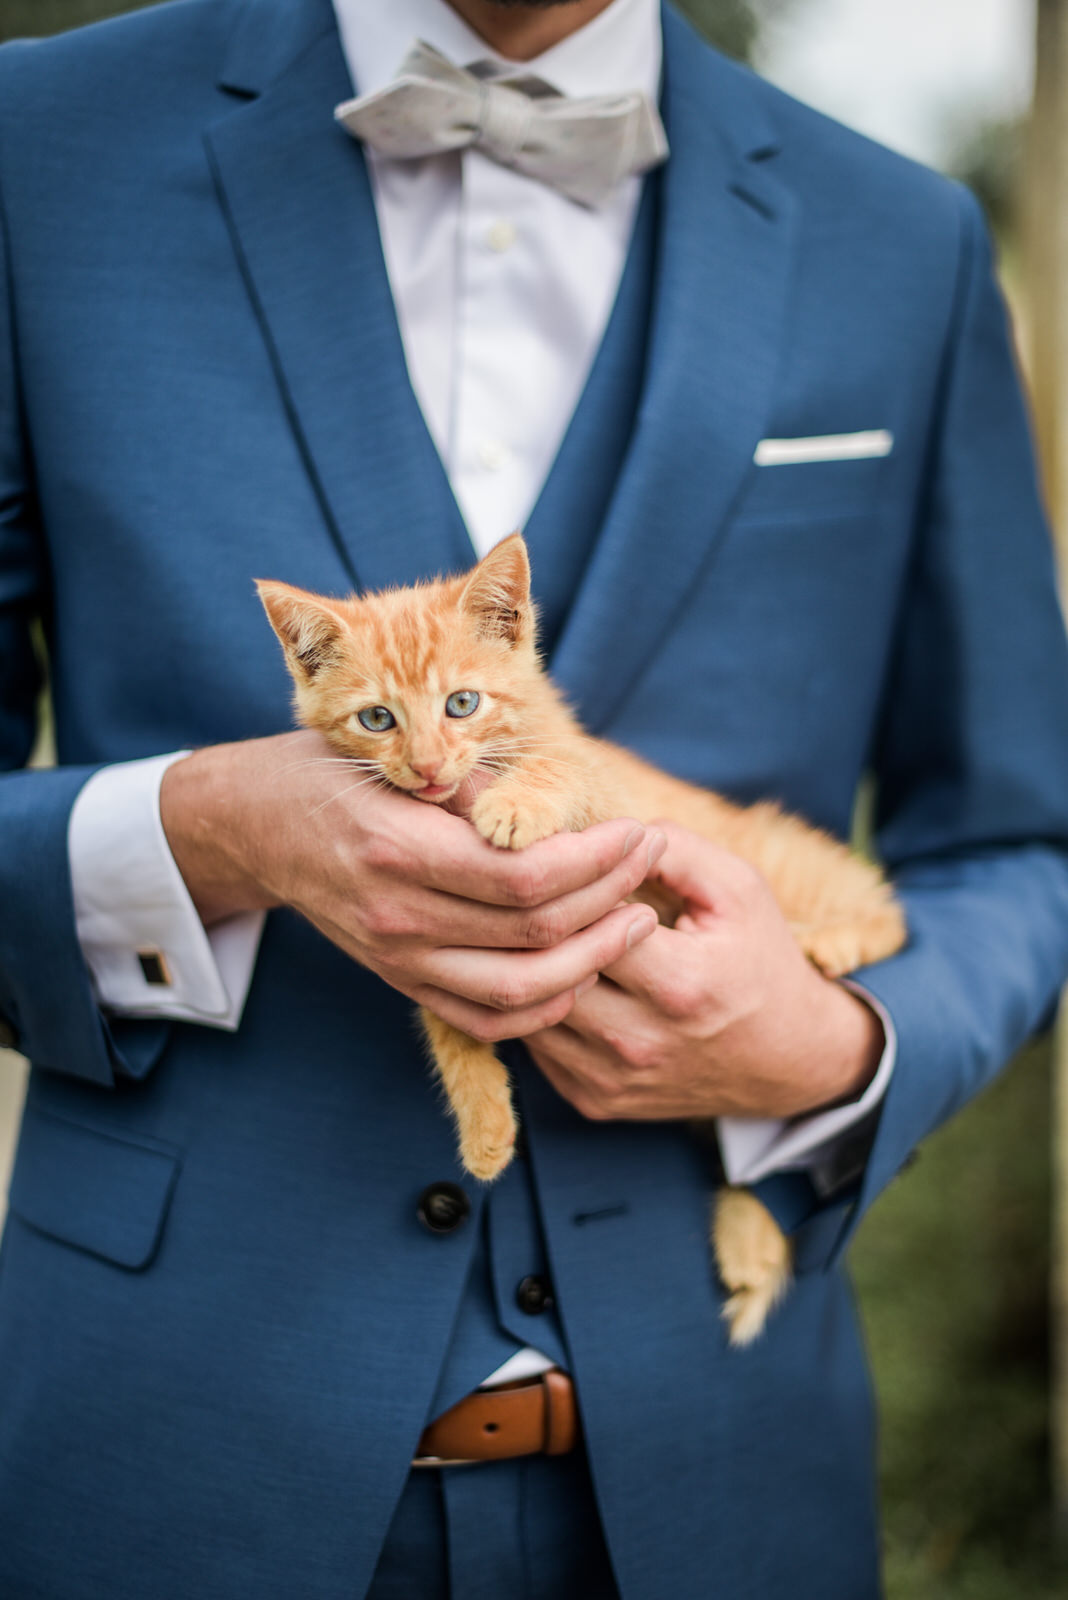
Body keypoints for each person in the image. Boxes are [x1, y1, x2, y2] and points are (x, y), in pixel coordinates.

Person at [1, 0, 1067, 1594]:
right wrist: (206, 830)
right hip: (171, 1475)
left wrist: (832, 1054)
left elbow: (1020, 839)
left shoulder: (900, 235)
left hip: (724, 1490)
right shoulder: (33, 144)